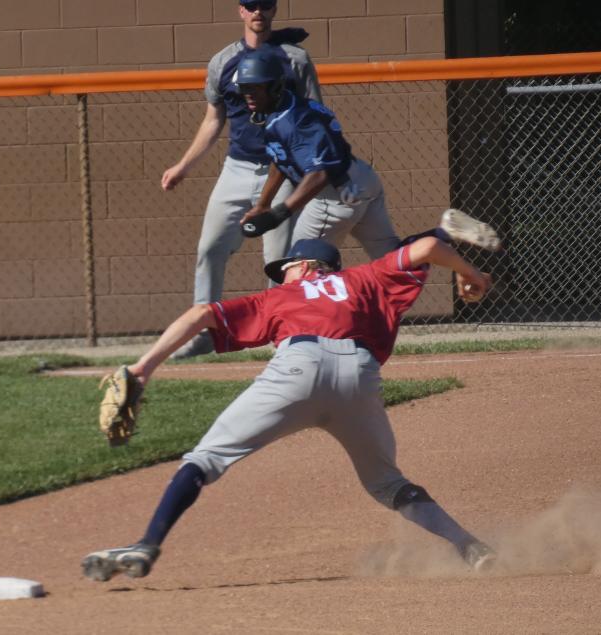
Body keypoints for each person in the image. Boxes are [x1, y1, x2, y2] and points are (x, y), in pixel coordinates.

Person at [81, 227, 499, 583]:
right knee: (388, 484)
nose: (281, 277)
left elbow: (200, 314)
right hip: (359, 375)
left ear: (304, 267)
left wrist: (142, 368)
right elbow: (426, 248)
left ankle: (147, 544)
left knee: (205, 458)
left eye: (284, 269)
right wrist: (472, 274)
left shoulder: (279, 298)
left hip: (297, 371)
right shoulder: (367, 278)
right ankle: (470, 546)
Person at [163, 0, 322, 360]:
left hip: (282, 171)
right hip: (236, 168)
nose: (258, 11)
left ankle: (279, 334)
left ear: (274, 9)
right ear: (240, 10)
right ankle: (203, 332)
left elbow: (315, 113)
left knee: (278, 259)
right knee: (209, 250)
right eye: (250, 5)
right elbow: (213, 120)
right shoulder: (222, 61)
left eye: (264, 4)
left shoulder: (295, 59)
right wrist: (183, 166)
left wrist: (310, 171)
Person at [235, 49, 501, 256]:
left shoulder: (295, 119)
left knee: (300, 266)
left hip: (336, 193)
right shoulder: (279, 111)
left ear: (275, 86)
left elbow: (319, 174)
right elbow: (280, 159)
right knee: (392, 257)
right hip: (359, 179)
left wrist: (280, 213)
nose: (248, 95)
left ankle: (324, 326)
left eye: (254, 87)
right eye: (244, 88)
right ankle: (445, 233)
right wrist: (262, 205)